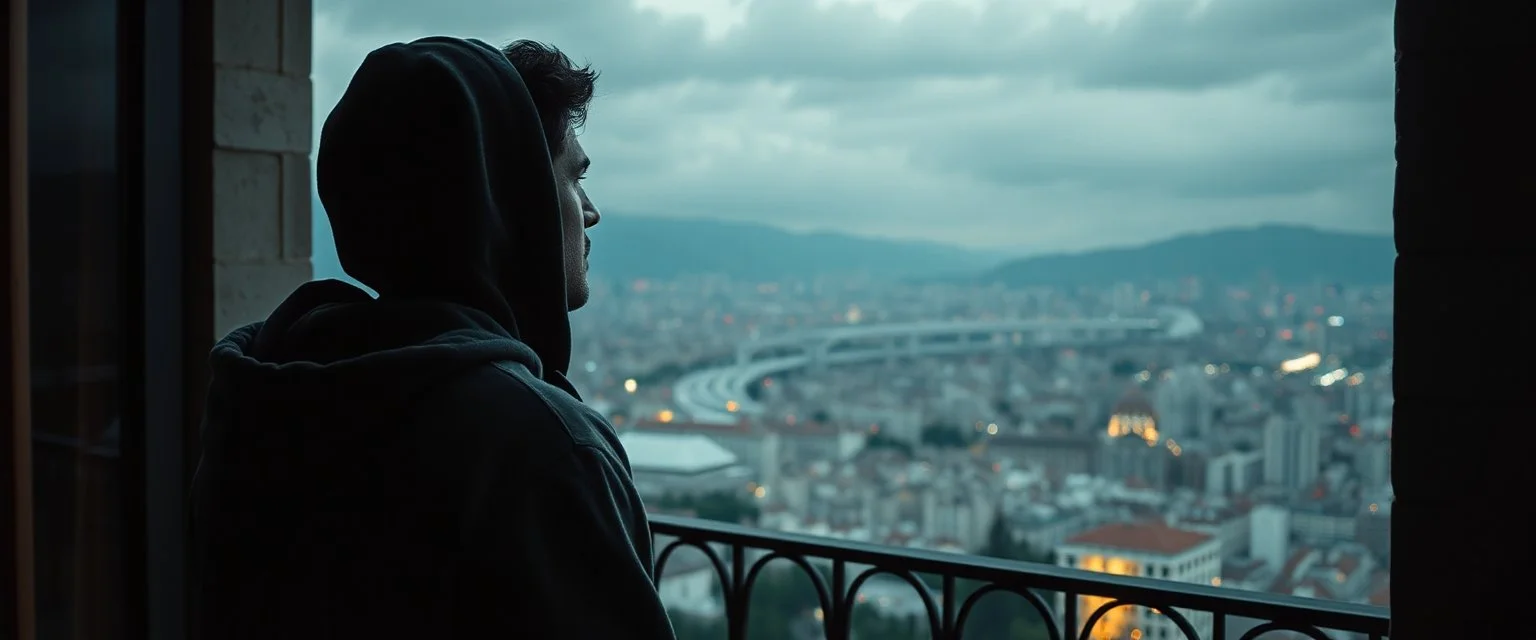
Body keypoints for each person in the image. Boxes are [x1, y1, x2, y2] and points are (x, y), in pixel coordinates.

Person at [189, 37, 677, 639]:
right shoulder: (540, 448)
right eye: (573, 177)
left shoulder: (258, 397)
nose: (591, 210)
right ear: (508, 197)